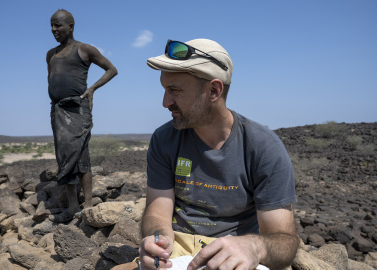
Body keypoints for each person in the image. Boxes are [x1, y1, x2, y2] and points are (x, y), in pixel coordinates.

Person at [113, 39, 298, 270]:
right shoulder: (164, 140)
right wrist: (157, 240)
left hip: (235, 252)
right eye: (164, 89)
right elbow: (158, 212)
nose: (165, 102)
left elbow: (284, 242)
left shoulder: (264, 148)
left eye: (175, 90)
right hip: (176, 251)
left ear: (213, 90)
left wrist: (253, 246)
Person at [44, 9, 117, 223]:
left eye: (58, 25)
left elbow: (111, 69)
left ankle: (88, 205)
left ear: (71, 27)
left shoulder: (84, 49)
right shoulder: (51, 54)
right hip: (58, 111)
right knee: (64, 157)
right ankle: (72, 205)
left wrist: (92, 88)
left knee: (81, 155)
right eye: (52, 25)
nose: (54, 29)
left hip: (77, 110)